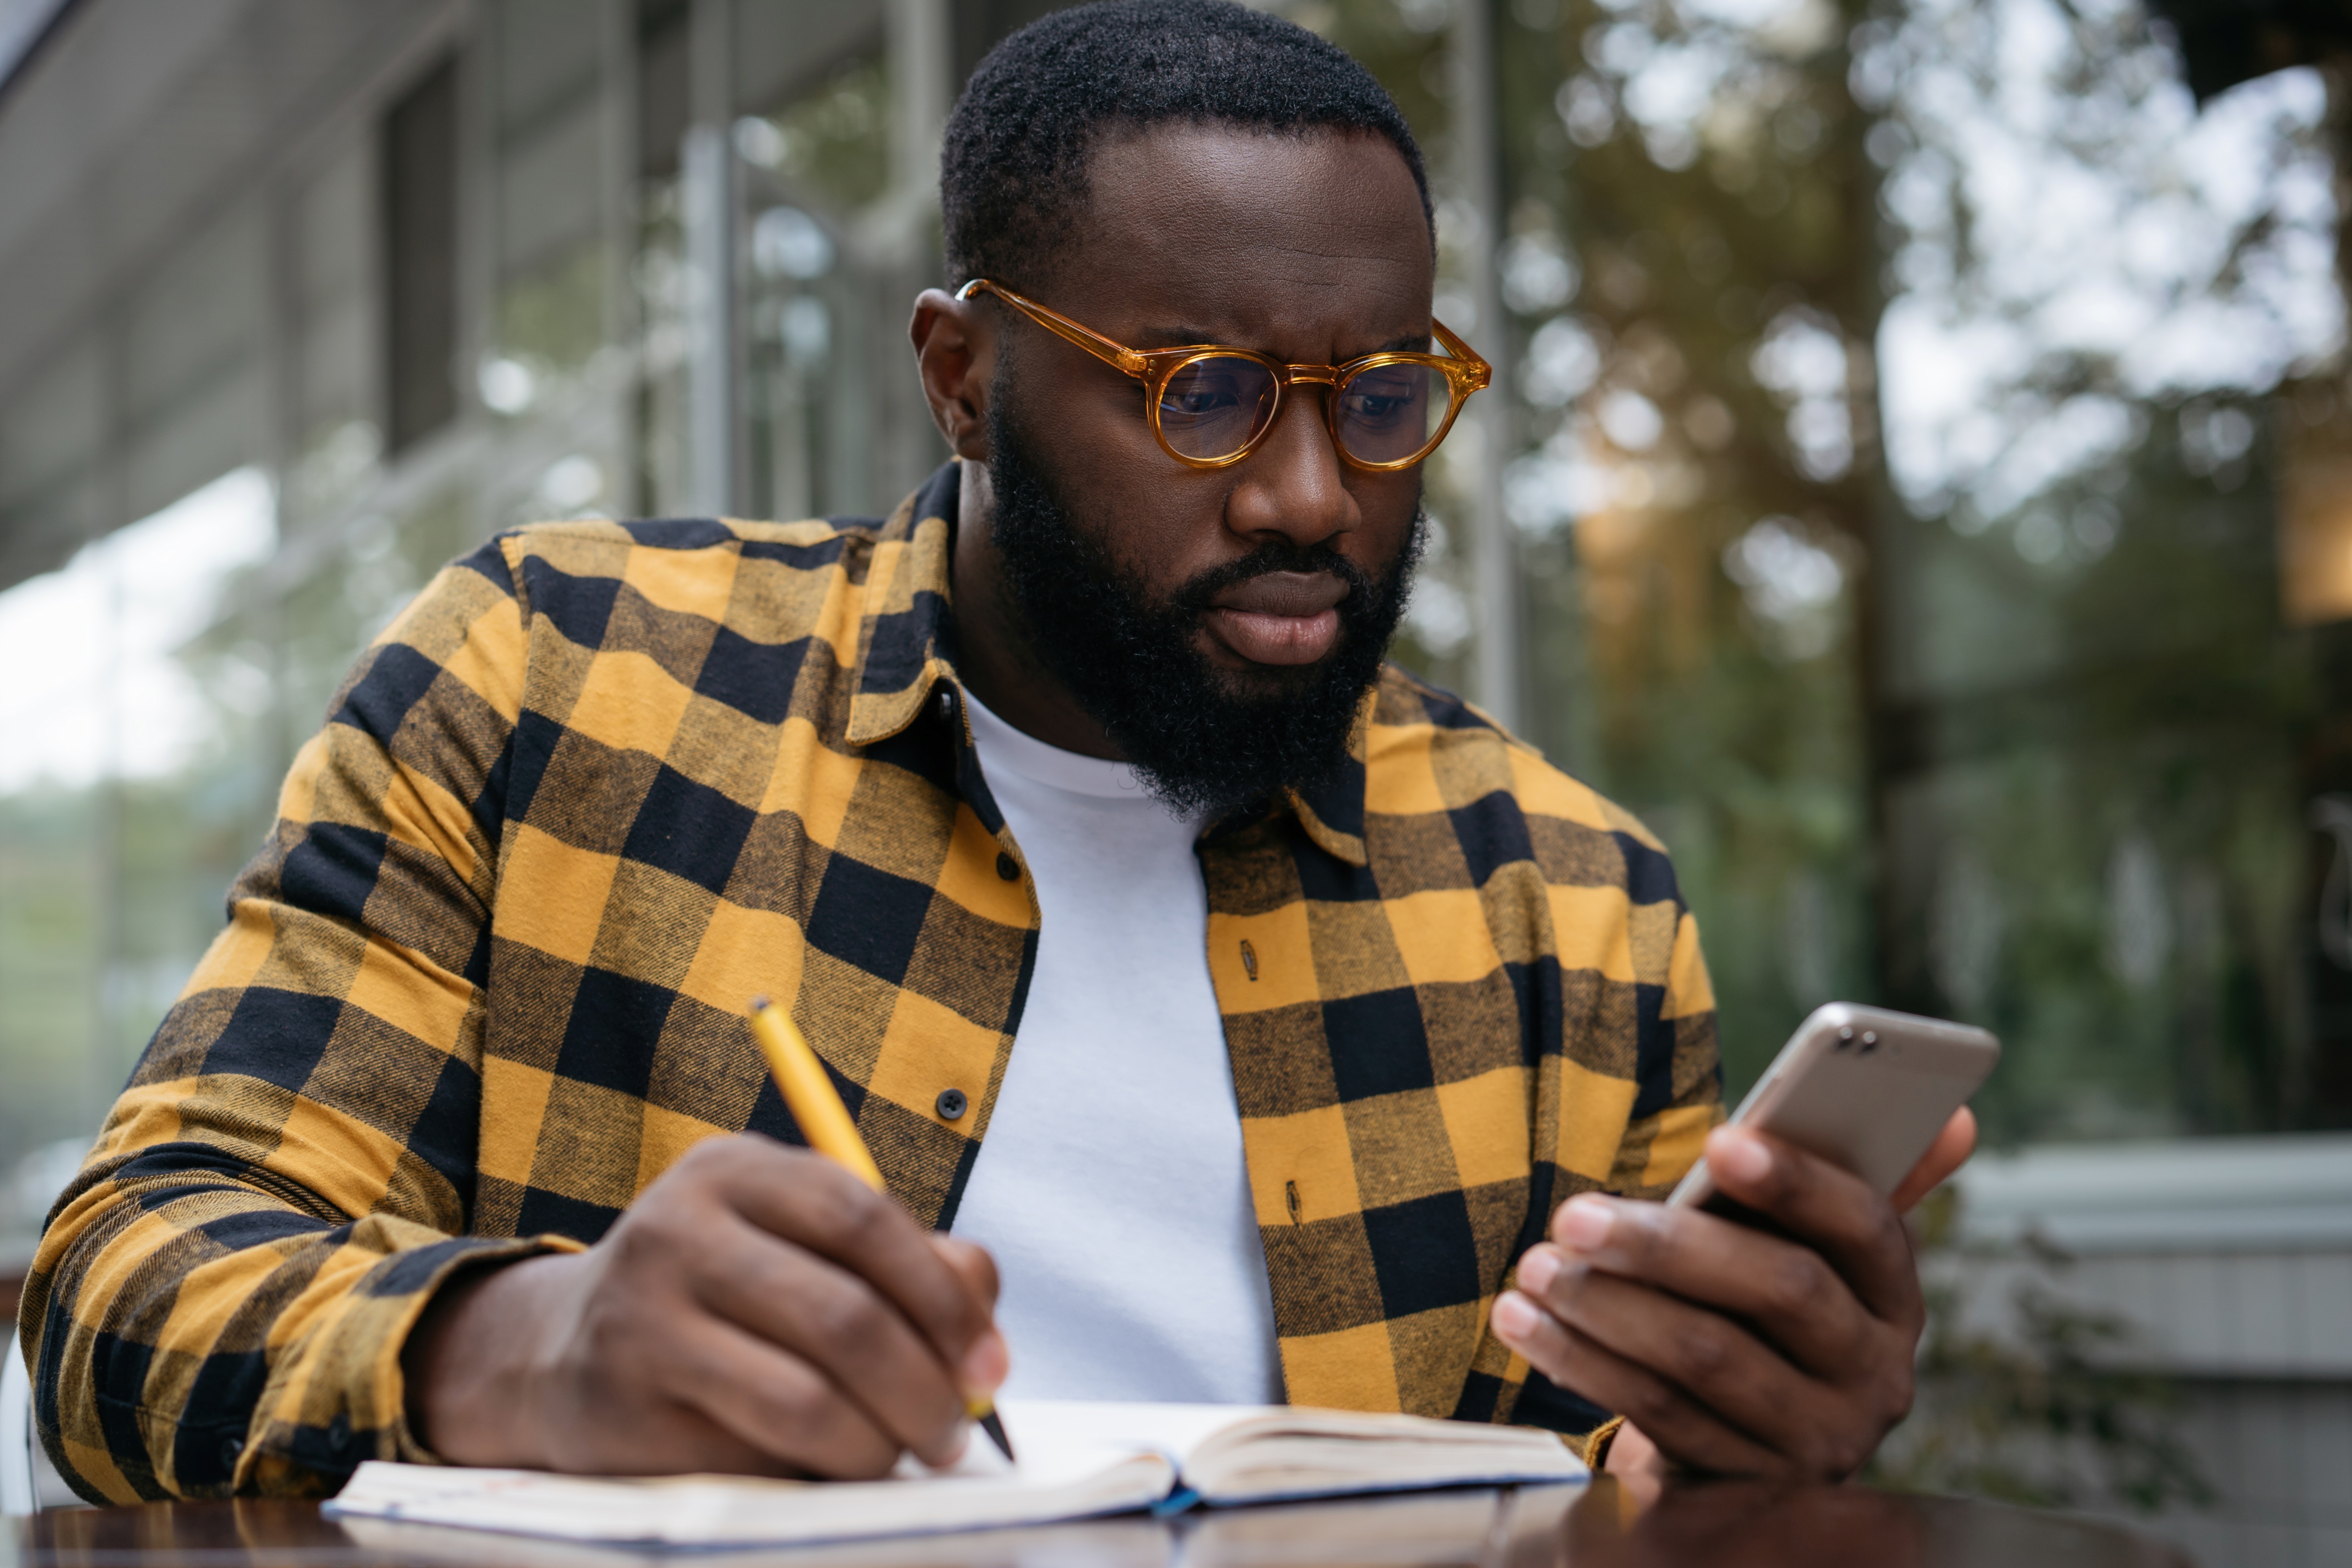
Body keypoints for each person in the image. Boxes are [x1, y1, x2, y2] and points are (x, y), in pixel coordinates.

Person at [19, 0, 1969, 1504]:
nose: (1314, 494)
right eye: (1203, 394)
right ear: (964, 377)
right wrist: (519, 1350)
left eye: (1379, 397)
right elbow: (120, 1292)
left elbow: (1602, 1496)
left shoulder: (1576, 909)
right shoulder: (557, 688)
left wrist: (1745, 1444)